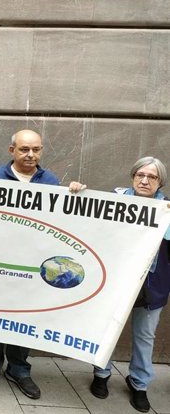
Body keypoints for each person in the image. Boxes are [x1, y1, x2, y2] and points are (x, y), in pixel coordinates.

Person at [0, 129, 59, 400]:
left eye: (36, 149)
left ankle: (19, 368)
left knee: (26, 315)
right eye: (24, 149)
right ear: (12, 150)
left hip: (32, 266)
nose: (31, 154)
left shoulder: (51, 182)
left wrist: (75, 193)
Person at [84, 157, 169, 413]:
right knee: (107, 328)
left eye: (151, 177)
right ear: (132, 176)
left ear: (160, 182)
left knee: (145, 336)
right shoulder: (116, 200)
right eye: (140, 175)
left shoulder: (166, 210)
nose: (144, 181)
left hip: (152, 285)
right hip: (116, 282)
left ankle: (139, 384)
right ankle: (101, 374)